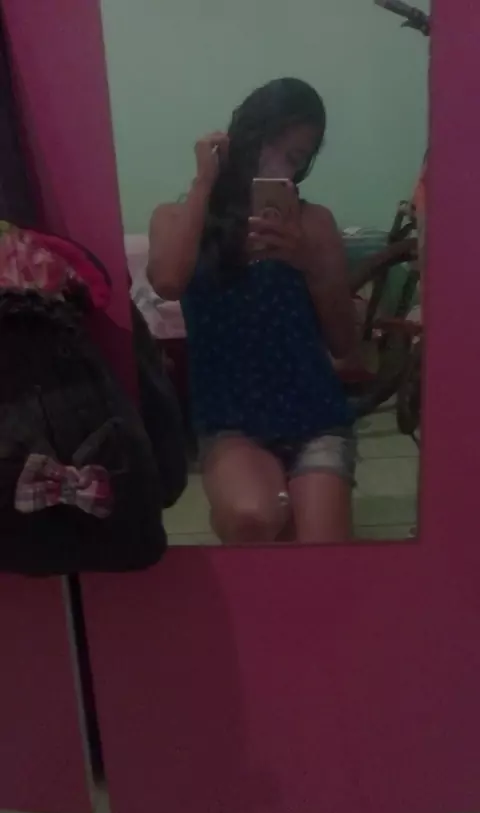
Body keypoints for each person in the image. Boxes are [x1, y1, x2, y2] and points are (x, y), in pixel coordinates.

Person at [147, 78, 356, 544]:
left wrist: (309, 264)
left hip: (316, 415)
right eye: (270, 144)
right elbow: (168, 281)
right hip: (231, 421)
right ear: (243, 134)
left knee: (323, 558)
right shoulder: (174, 218)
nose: (276, 163)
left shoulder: (314, 223)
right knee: (252, 518)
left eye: (295, 158)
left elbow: (344, 343)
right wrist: (204, 181)